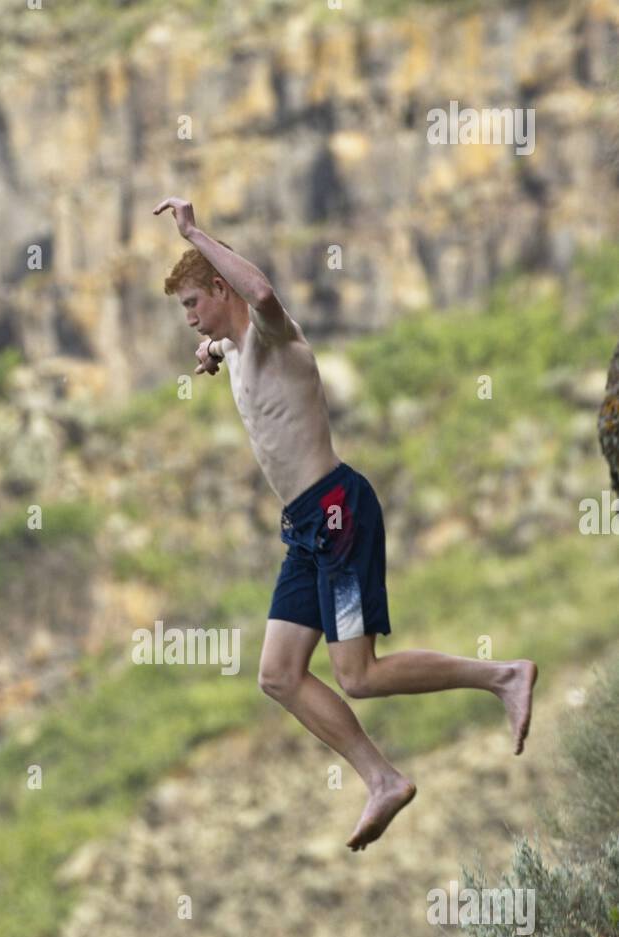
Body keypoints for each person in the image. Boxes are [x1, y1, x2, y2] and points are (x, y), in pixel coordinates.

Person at [154, 196, 537, 850]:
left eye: (194, 304)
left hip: (339, 514)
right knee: (277, 674)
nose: (189, 319)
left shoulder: (276, 335)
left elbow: (264, 292)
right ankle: (381, 779)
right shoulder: (237, 350)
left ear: (220, 288)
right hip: (304, 531)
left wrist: (195, 232)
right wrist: (211, 353)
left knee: (359, 674)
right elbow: (228, 346)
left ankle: (502, 675)